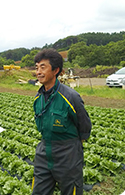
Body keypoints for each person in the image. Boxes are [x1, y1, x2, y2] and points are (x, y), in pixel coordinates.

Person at [32, 49, 91, 195]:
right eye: (36, 67)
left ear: (56, 70)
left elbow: (84, 126)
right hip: (44, 152)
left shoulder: (71, 97)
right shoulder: (37, 98)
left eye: (43, 67)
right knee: (38, 191)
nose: (38, 72)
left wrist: (73, 148)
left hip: (68, 154)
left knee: (71, 191)